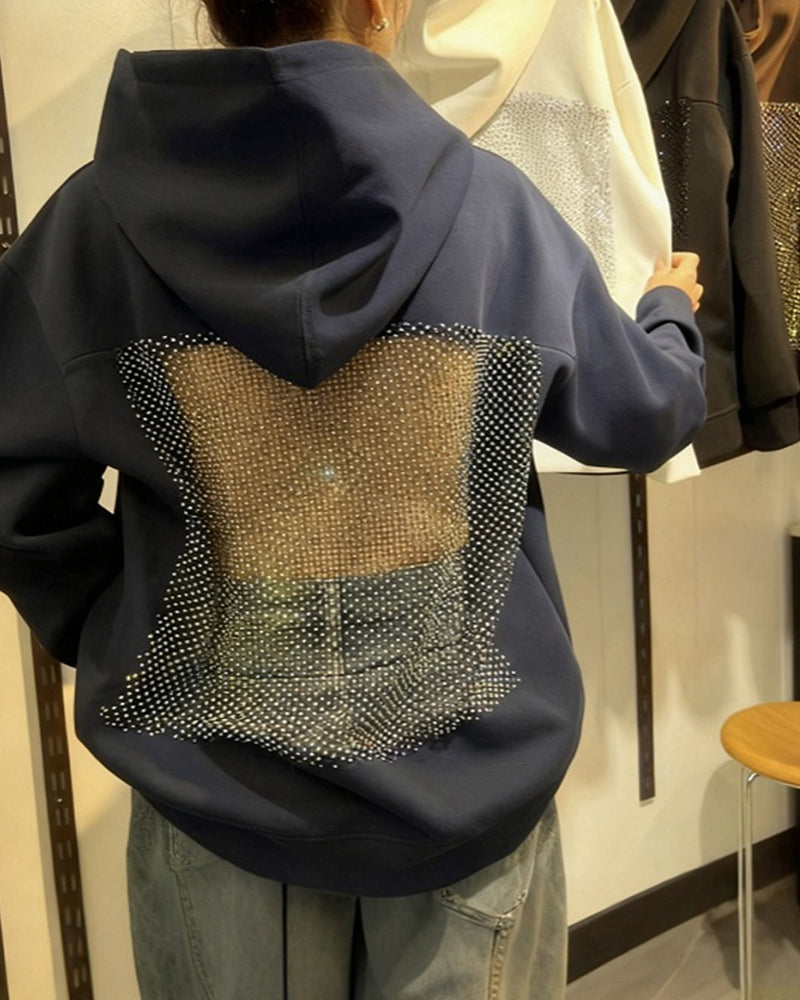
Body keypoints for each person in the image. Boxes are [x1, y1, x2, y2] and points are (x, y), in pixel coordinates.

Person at [0, 0, 705, 996]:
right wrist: (668, 310)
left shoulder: (90, 227)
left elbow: (15, 490)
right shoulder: (492, 211)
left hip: (218, 786)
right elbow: (642, 415)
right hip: (463, 781)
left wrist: (122, 620)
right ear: (382, 6)